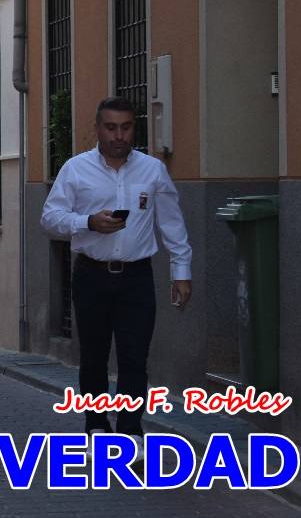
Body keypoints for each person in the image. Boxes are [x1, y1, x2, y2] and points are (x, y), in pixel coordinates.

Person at [41, 96, 192, 440]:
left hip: (137, 277)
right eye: (111, 127)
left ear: (133, 129)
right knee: (94, 358)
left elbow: (172, 223)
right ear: (97, 129)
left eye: (125, 127)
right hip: (91, 275)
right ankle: (96, 427)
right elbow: (49, 220)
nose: (118, 135)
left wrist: (181, 272)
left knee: (134, 359)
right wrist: (88, 222)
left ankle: (130, 432)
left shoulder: (152, 170)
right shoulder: (76, 169)